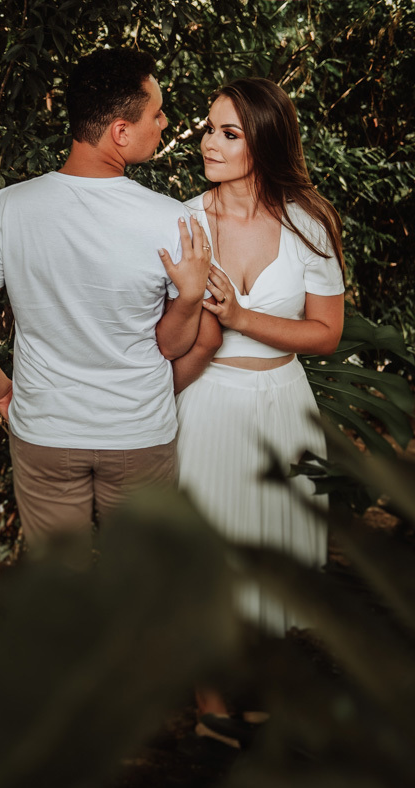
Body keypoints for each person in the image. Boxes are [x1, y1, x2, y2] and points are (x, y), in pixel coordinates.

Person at [0, 48, 211, 565]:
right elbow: (172, 344)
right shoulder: (172, 220)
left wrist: (4, 394)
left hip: (45, 431)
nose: (165, 122)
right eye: (156, 113)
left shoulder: (6, 209)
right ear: (120, 131)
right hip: (139, 435)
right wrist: (192, 297)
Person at [171, 77, 345, 746]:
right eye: (208, 129)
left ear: (264, 141)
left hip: (280, 406)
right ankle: (209, 699)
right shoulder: (181, 220)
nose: (209, 142)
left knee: (272, 551)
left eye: (228, 132)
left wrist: (241, 315)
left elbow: (326, 333)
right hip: (206, 403)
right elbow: (159, 332)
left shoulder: (308, 222)